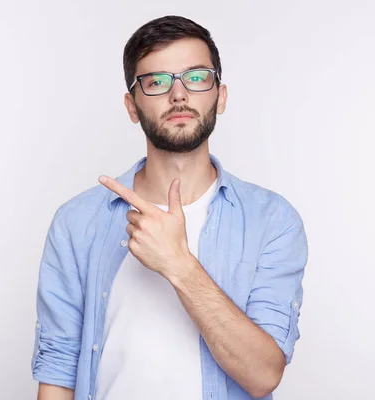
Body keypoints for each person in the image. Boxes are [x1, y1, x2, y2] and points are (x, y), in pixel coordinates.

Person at [31, 15, 308, 400]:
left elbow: (263, 375)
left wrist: (178, 264)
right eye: (157, 82)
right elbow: (58, 370)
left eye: (196, 77)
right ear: (132, 106)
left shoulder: (273, 221)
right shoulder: (77, 222)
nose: (179, 95)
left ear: (220, 96)